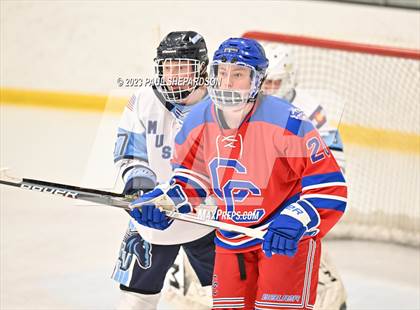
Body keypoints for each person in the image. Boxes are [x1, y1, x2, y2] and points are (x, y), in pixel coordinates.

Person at [129, 38, 347, 309]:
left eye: (238, 74)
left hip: (280, 241)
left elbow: (331, 187)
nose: (227, 82)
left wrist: (296, 219)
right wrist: (164, 201)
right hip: (230, 241)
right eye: (222, 72)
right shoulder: (197, 119)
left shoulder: (289, 121)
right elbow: (192, 179)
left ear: (257, 80)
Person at [111, 31, 215, 309]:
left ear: (201, 69)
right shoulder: (143, 98)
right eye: (168, 67)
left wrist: (179, 197)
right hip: (151, 216)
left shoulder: (223, 105)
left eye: (182, 67)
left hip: (209, 218)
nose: (173, 75)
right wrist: (140, 190)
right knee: (135, 300)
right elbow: (130, 152)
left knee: (230, 298)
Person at [262, 43, 347, 310]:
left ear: (289, 80)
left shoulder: (310, 110)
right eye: (264, 82)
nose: (268, 89)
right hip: (257, 205)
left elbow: (335, 162)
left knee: (315, 278)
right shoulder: (248, 104)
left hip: (295, 206)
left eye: (275, 83)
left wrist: (303, 205)